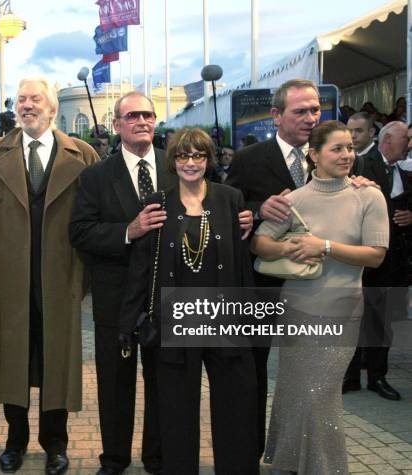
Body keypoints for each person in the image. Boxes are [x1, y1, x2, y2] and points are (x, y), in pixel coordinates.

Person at [0, 76, 98, 475]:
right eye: (21, 100)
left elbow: (95, 211)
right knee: (12, 357)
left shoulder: (83, 153)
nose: (27, 105)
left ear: (52, 108)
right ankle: (15, 440)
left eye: (35, 99)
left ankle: (55, 444)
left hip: (60, 276)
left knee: (57, 359)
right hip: (8, 276)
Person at [118, 128, 259, 474]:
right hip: (175, 317)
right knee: (176, 410)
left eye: (198, 155)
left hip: (224, 317)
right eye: (183, 156)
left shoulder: (230, 199)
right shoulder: (157, 203)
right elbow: (141, 266)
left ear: (209, 159)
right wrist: (127, 321)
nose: (191, 163)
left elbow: (241, 263)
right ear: (173, 161)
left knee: (235, 405)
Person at [251, 120, 388, 474]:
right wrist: (290, 247)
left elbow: (375, 255)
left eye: (350, 148)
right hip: (296, 310)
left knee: (321, 394)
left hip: (341, 312)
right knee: (295, 389)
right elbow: (259, 243)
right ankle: (289, 460)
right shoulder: (293, 199)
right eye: (337, 148)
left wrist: (324, 246)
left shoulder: (367, 195)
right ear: (314, 155)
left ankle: (324, 467)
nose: (347, 155)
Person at [70, 91, 177, 475]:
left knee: (163, 382)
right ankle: (114, 459)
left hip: (167, 297)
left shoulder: (176, 167)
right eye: (132, 116)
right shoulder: (97, 175)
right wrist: (127, 231)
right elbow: (80, 232)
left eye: (148, 114)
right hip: (115, 298)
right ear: (117, 125)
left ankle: (157, 458)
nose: (142, 121)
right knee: (115, 385)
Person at [226, 78, 322, 456]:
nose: (310, 118)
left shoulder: (331, 154)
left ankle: (300, 450)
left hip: (317, 287)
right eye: (300, 111)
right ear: (276, 115)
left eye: (315, 110)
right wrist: (256, 209)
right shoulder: (250, 159)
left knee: (309, 374)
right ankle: (249, 452)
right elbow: (230, 210)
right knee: (253, 371)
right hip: (262, 285)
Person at [344, 120, 412, 400]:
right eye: (405, 138)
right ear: (388, 140)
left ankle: (377, 377)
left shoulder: (405, 171)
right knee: (356, 319)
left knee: (384, 324)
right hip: (365, 260)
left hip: (395, 264)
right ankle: (349, 377)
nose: (409, 143)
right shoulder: (360, 165)